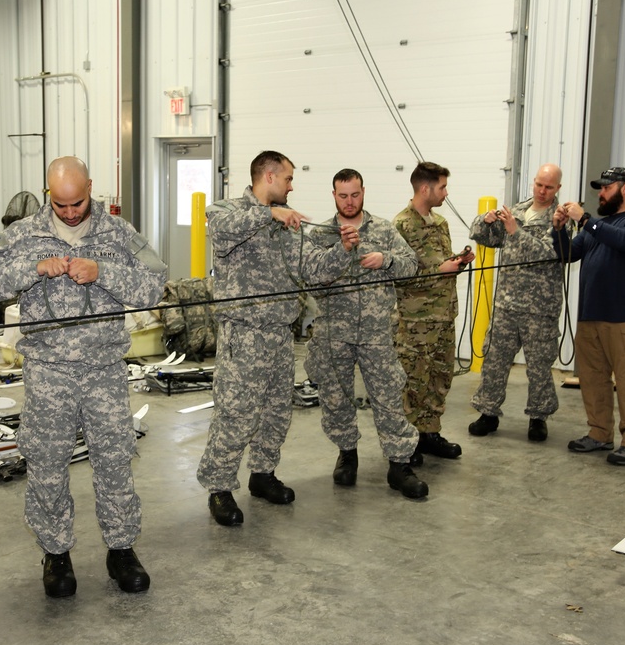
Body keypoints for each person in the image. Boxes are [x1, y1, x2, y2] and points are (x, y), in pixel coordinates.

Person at [0, 156, 165, 597]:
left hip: (104, 368)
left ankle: (121, 548)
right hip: (47, 371)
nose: (69, 212)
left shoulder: (119, 234)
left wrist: (105, 272)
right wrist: (32, 269)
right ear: (49, 194)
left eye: (78, 203)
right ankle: (56, 553)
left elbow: (156, 285)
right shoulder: (24, 234)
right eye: (60, 204)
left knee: (115, 460)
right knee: (46, 464)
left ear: (91, 188)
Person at [197, 150, 360, 526]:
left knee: (275, 414)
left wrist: (343, 250)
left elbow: (312, 269)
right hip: (244, 335)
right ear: (268, 176)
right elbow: (220, 230)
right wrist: (268, 212)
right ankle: (220, 488)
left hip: (280, 335)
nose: (291, 185)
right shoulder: (228, 209)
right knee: (235, 415)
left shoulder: (288, 223)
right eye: (287, 178)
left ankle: (262, 474)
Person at [304, 168, 428, 498]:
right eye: (342, 195)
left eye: (355, 194)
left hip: (376, 333)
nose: (349, 201)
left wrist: (385, 260)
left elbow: (412, 266)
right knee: (336, 397)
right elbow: (312, 277)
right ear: (334, 195)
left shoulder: (385, 230)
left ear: (363, 192)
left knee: (388, 396)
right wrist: (341, 252)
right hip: (334, 333)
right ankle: (347, 453)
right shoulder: (320, 235)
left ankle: (399, 464)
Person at [552, 167, 625, 466]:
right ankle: (599, 433)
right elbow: (568, 255)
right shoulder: (598, 228)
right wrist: (559, 229)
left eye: (606, 188)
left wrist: (585, 219)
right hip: (591, 316)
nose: (600, 193)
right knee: (592, 378)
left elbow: (622, 241)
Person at [467, 164, 564, 442]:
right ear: (533, 183)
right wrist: (484, 221)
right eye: (539, 185)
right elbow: (485, 237)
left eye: (549, 187)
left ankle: (538, 416)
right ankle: (488, 412)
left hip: (540, 306)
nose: (542, 191)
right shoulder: (517, 211)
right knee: (495, 360)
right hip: (507, 304)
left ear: (558, 188)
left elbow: (551, 253)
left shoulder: (560, 218)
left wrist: (515, 232)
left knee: (539, 365)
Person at [394, 162, 475, 464]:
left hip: (444, 315)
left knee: (439, 378)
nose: (446, 192)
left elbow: (439, 262)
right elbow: (399, 273)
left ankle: (430, 433)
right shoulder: (402, 225)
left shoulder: (440, 222)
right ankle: (408, 440)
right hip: (416, 321)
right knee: (413, 381)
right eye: (442, 187)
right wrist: (439, 269)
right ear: (425, 188)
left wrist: (458, 261)